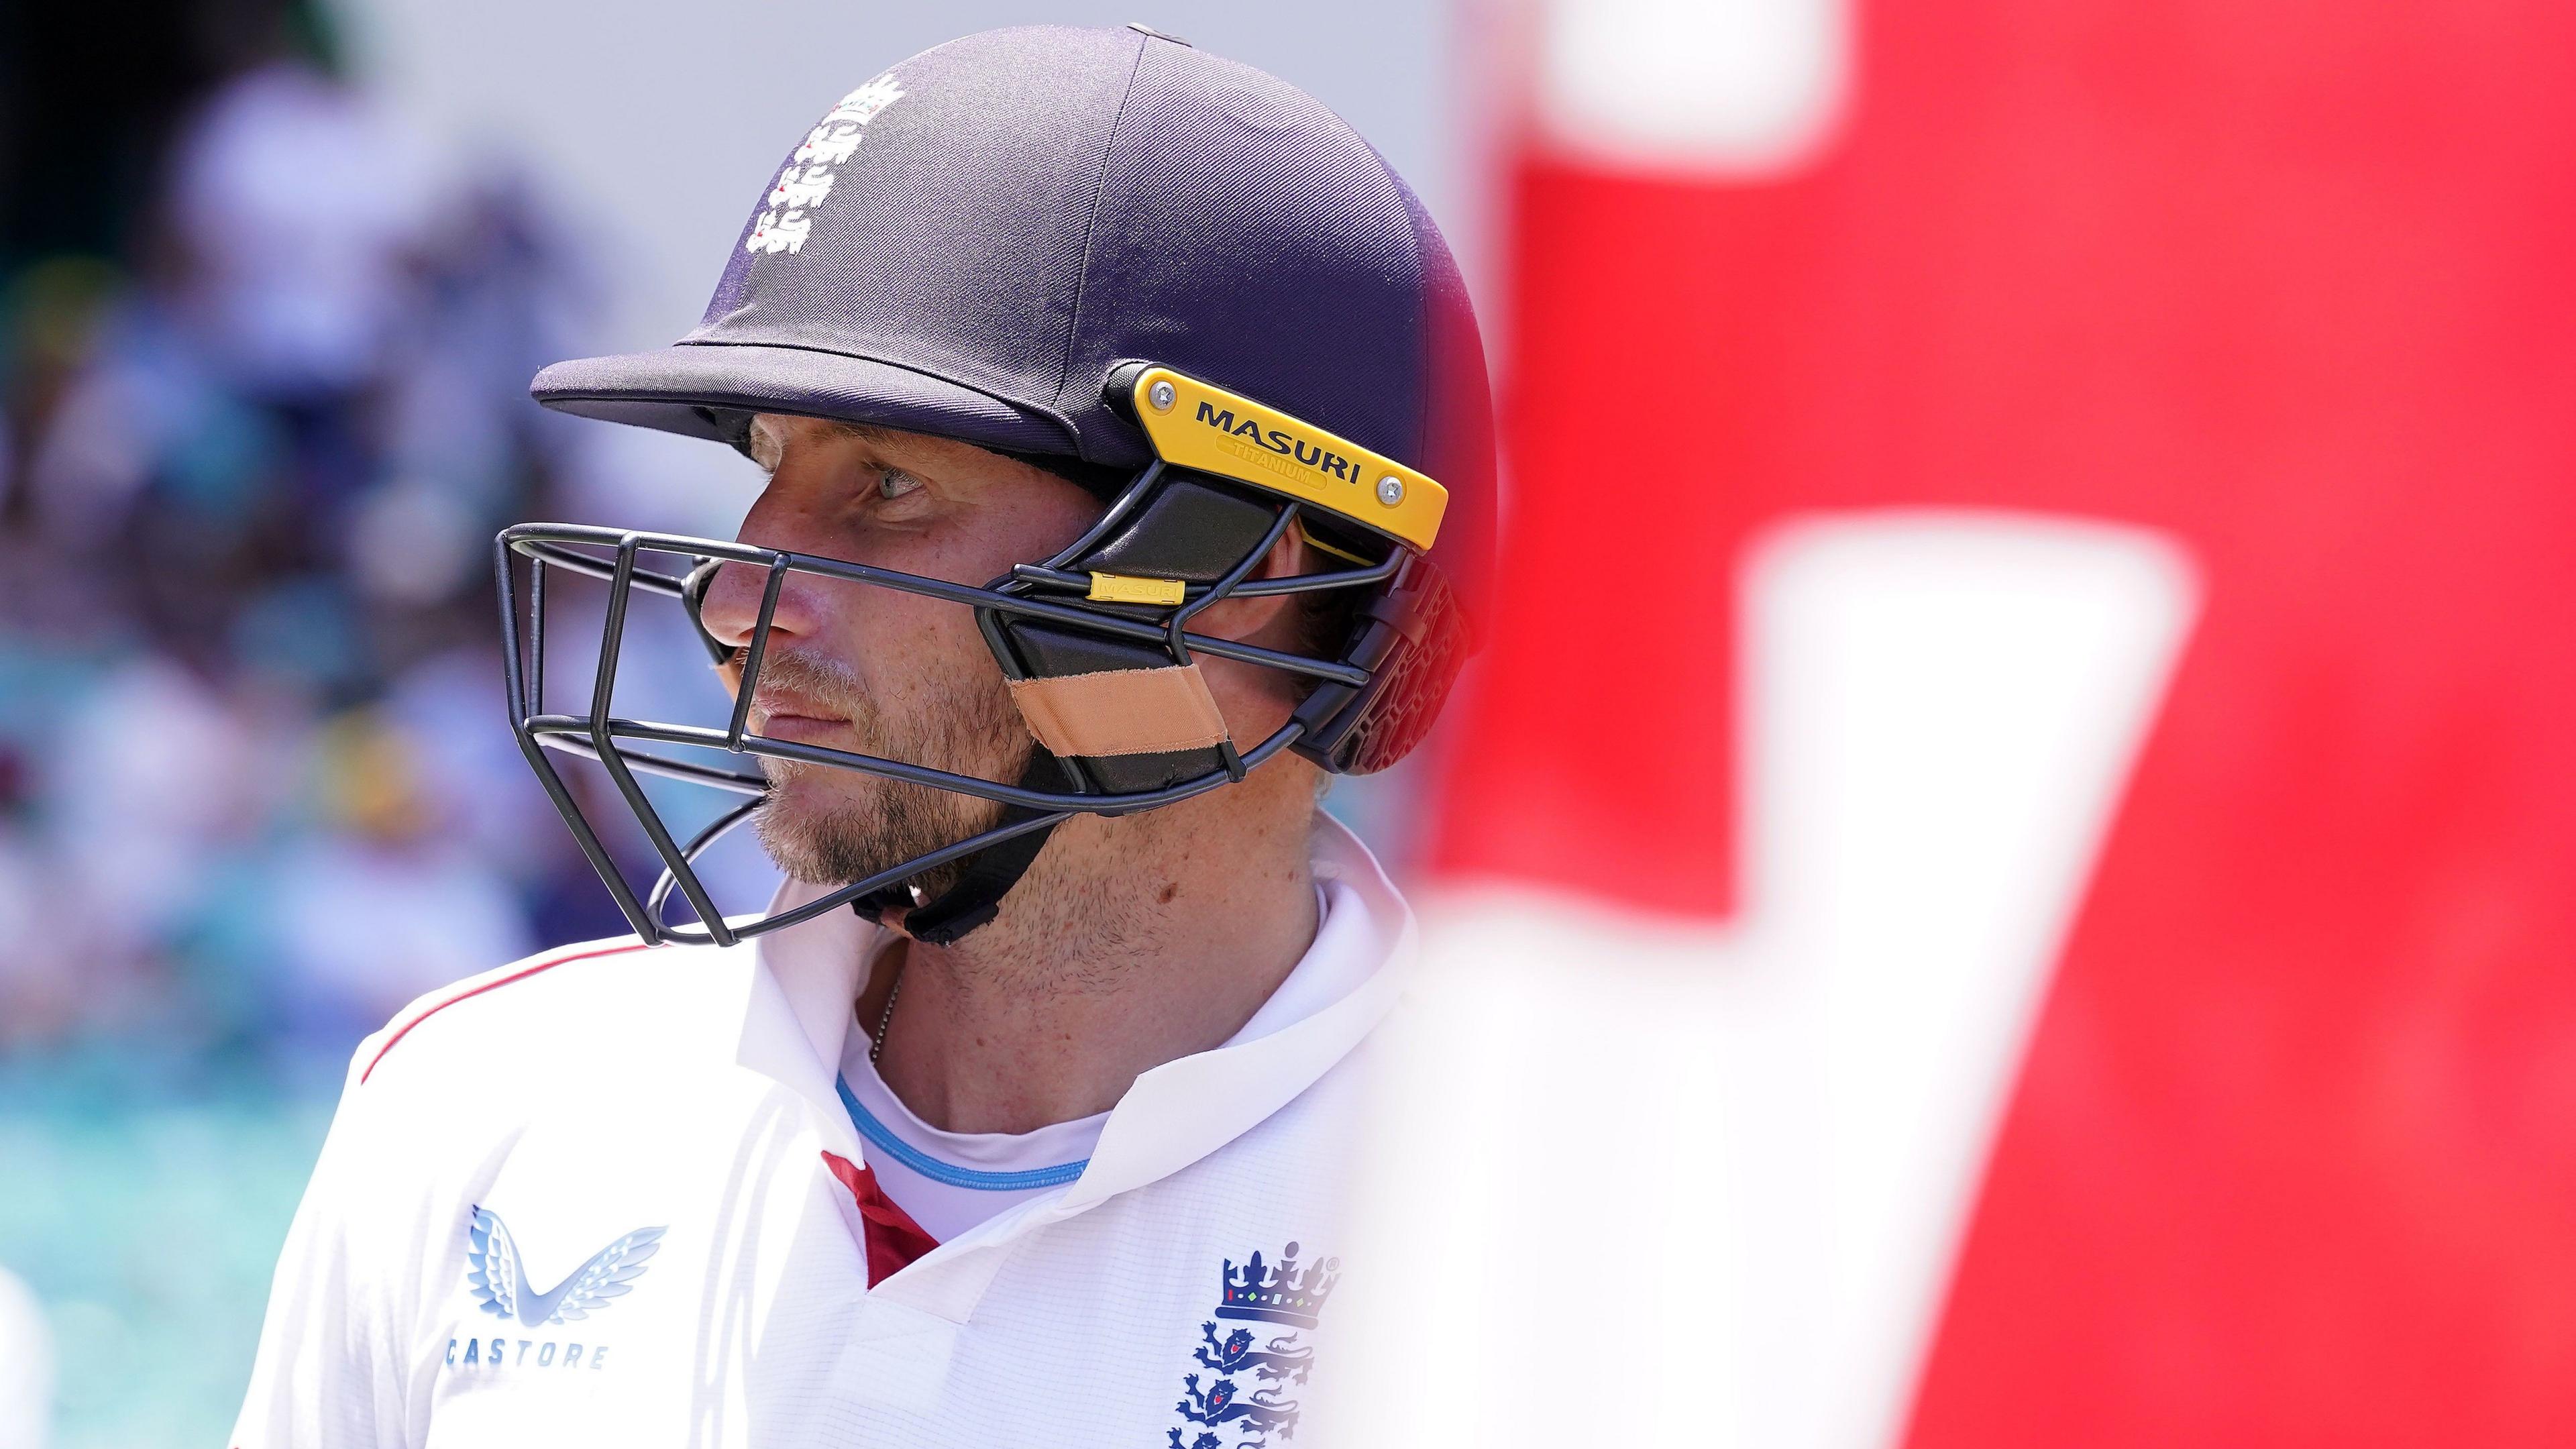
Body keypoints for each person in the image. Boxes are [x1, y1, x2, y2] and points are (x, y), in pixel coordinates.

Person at [231, 23, 1490, 1447]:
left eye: (886, 484)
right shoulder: (478, 1108)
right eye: (770, 469)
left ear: (1233, 577)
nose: (736, 595)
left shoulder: (1564, 1231)